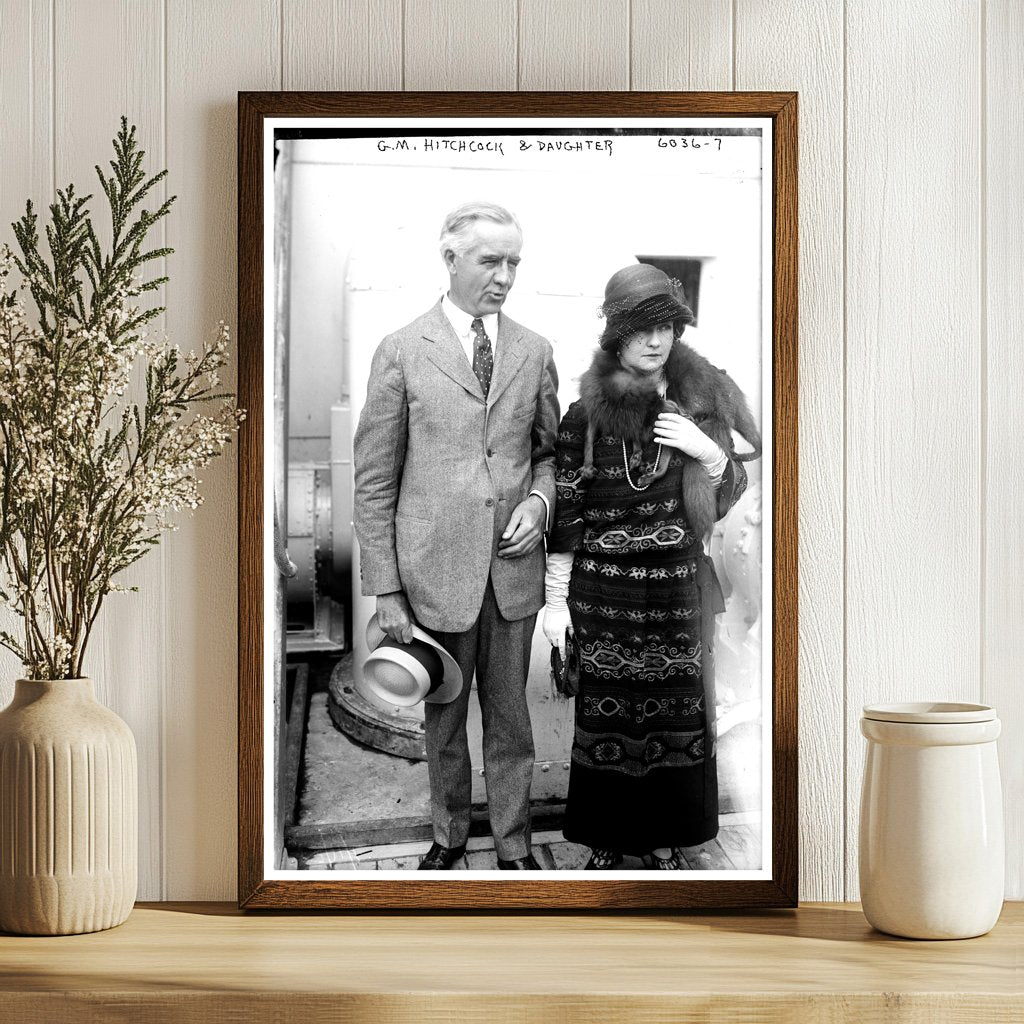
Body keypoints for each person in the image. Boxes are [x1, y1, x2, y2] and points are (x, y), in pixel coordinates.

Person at [353, 201, 559, 870]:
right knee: (442, 718)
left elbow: (550, 453)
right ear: (450, 259)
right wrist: (386, 588)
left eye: (513, 263)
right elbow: (374, 482)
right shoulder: (404, 350)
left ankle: (515, 846)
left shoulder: (535, 351)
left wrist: (539, 499)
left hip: (510, 573)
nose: (504, 276)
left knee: (511, 720)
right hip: (431, 574)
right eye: (490, 261)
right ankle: (447, 837)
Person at [542, 264, 760, 870]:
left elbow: (729, 491)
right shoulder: (583, 417)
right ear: (616, 334)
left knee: (677, 714)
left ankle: (667, 839)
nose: (656, 341)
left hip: (677, 593)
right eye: (642, 329)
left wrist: (710, 451)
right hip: (602, 595)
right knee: (607, 715)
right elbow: (568, 510)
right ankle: (611, 840)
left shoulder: (699, 400)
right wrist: (555, 602)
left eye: (666, 326)